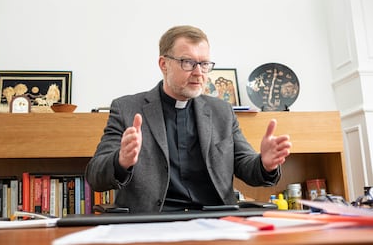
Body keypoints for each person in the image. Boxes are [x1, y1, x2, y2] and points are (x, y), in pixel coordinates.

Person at [85, 25, 291, 213]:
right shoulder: (127, 109)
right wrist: (121, 161)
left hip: (215, 219)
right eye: (188, 62)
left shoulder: (222, 111)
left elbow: (247, 166)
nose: (198, 73)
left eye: (204, 64)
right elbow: (95, 176)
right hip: (151, 222)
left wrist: (265, 163)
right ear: (163, 64)